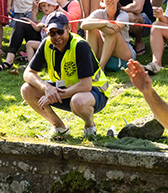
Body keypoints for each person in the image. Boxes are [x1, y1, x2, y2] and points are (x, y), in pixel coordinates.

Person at [21, 11, 109, 140]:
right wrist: (46, 87)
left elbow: (85, 85)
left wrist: (53, 96)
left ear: (68, 28)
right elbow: (28, 73)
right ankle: (60, 128)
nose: (57, 36)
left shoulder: (80, 46)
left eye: (60, 32)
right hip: (66, 88)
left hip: (95, 92)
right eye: (52, 33)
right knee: (26, 89)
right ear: (47, 33)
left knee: (78, 101)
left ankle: (90, 127)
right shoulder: (46, 44)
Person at [80, 0, 137, 72]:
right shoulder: (99, 13)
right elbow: (83, 25)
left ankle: (101, 68)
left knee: (112, 33)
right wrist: (105, 23)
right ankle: (90, 65)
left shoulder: (123, 15)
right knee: (92, 30)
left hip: (124, 52)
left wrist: (97, 24)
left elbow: (112, 30)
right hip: (106, 48)